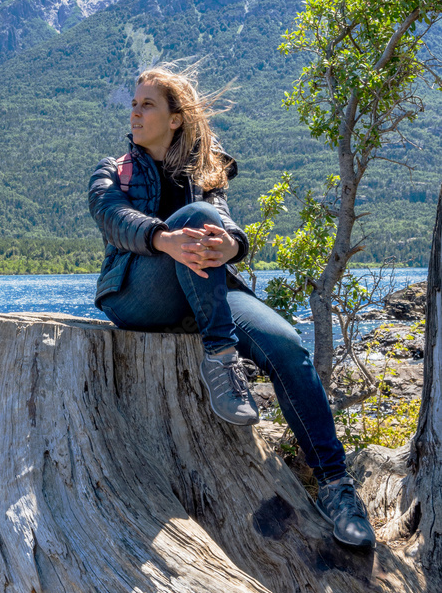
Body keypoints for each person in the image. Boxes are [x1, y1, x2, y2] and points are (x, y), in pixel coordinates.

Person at [88, 66, 375, 549]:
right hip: (139, 293)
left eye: (147, 105)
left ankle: (335, 487)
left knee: (287, 345)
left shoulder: (205, 172)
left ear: (175, 118)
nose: (134, 113)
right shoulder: (112, 171)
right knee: (195, 221)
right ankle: (221, 356)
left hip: (204, 291)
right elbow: (114, 219)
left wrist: (232, 247)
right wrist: (164, 238)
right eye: (133, 105)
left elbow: (224, 224)